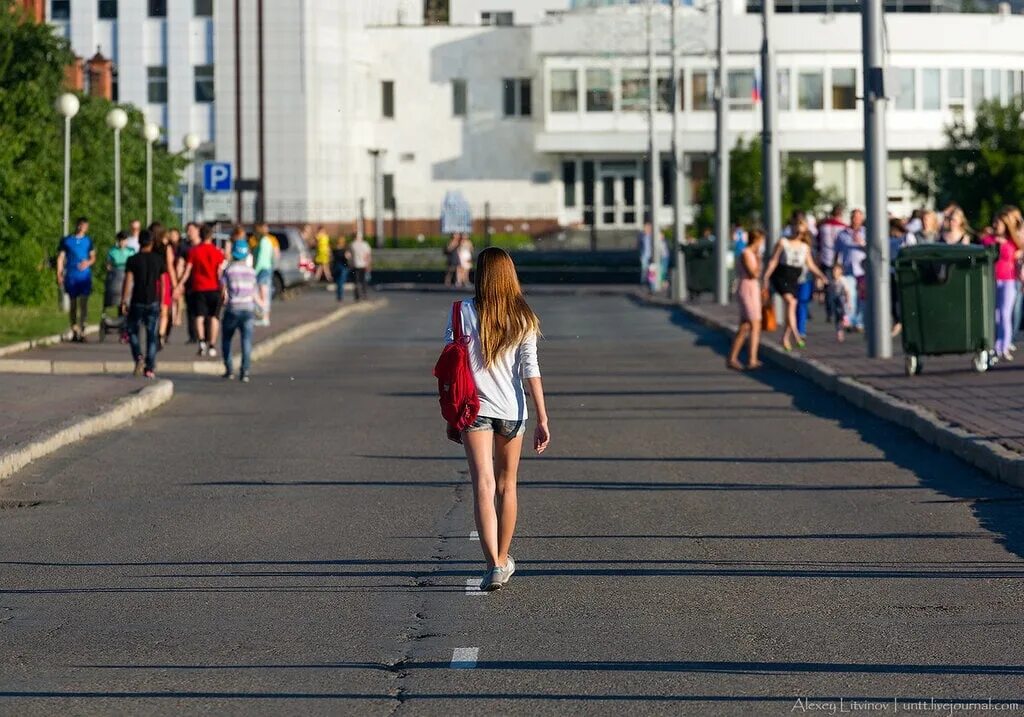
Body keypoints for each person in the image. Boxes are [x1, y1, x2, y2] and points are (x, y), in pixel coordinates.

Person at [444, 247, 550, 592]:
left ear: (480, 275)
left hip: (472, 410)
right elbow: (530, 370)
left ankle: (492, 564)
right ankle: (503, 558)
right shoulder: (523, 316)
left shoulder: (461, 312)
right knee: (507, 486)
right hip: (512, 411)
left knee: (483, 486)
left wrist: (449, 414)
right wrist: (543, 418)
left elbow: (450, 365)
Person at [763, 217, 827, 352]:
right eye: (796, 227)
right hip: (782, 276)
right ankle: (797, 336)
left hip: (794, 278)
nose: (798, 231)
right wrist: (766, 276)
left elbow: (810, 265)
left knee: (791, 308)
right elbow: (774, 260)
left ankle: (786, 338)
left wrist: (821, 275)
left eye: (801, 229)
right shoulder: (783, 242)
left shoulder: (805, 247)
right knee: (791, 303)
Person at [120, 230, 164, 378]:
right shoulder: (158, 259)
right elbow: (163, 282)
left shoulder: (133, 260)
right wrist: (163, 301)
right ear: (152, 243)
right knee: (151, 335)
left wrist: (124, 300)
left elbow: (128, 281)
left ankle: (138, 356)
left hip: (137, 301)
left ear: (139, 242)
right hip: (153, 300)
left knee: (132, 331)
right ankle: (150, 367)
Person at [220, 236, 264, 383]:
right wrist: (262, 306)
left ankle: (229, 369)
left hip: (233, 309)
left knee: (227, 339)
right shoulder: (251, 272)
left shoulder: (229, 270)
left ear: (233, 253)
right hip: (248, 309)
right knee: (246, 341)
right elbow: (254, 292)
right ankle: (245, 371)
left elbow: (223, 292)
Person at [179, 224, 225, 357]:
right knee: (214, 317)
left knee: (199, 316)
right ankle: (212, 345)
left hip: (198, 288)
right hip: (214, 288)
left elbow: (187, 270)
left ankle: (202, 342)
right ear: (211, 236)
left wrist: (180, 284)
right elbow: (220, 272)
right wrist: (224, 289)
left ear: (200, 235)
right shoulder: (217, 252)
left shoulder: (194, 251)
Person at [984, 208, 1023, 361]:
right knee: (996, 315)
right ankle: (996, 345)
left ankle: (1003, 346)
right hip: (992, 279)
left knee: (1005, 314)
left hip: (1009, 280)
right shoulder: (988, 240)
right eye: (994, 222)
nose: (995, 225)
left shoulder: (1013, 241)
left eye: (998, 223)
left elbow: (1019, 257)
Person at [727, 229, 765, 371]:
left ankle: (732, 357)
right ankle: (752, 359)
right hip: (747, 288)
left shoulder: (750, 253)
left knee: (745, 326)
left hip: (752, 288)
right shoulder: (746, 253)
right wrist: (759, 260)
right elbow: (753, 273)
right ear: (756, 240)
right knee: (755, 323)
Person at [56, 217, 96, 343]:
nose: (83, 228)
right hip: (71, 275)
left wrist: (88, 262)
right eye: (81, 225)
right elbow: (61, 258)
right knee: (73, 304)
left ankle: (83, 329)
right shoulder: (67, 240)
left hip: (84, 276)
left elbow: (93, 257)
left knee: (83, 304)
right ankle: (74, 329)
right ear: (77, 225)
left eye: (85, 226)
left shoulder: (88, 241)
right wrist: (59, 273)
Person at [836, 209, 868, 332]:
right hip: (848, 269)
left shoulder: (866, 232)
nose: (856, 220)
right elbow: (837, 252)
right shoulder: (842, 233)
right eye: (854, 217)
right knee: (850, 295)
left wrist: (861, 243)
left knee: (862, 297)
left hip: (862, 270)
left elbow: (871, 250)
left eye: (859, 217)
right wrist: (837, 267)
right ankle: (850, 319)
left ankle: (859, 322)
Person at [816, 204, 847, 321]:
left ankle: (830, 311)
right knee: (839, 286)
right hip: (838, 261)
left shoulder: (823, 227)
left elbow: (818, 243)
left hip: (825, 259)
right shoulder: (843, 227)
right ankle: (840, 310)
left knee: (828, 286)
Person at [888, 217, 916, 338]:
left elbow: (913, 250)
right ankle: (898, 322)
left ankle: (902, 322)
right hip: (892, 271)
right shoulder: (889, 239)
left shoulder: (907, 237)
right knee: (894, 299)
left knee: (902, 298)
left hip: (905, 271)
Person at [177, 222, 201, 344]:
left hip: (202, 282)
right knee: (191, 310)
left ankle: (204, 335)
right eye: (188, 231)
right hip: (189, 282)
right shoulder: (184, 247)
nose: (189, 233)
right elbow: (180, 264)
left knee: (202, 310)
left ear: (198, 230)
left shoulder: (203, 245)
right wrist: (179, 282)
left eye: (191, 230)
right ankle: (193, 336)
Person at [252, 223, 279, 327]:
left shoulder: (263, 243)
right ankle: (264, 317)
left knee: (262, 295)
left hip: (262, 271)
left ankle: (264, 316)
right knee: (265, 295)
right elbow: (273, 257)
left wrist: (254, 272)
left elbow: (260, 260)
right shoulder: (268, 241)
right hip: (267, 269)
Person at [104, 230, 135, 314]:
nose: (122, 242)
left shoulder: (131, 251)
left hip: (128, 276)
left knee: (128, 298)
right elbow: (108, 263)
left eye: (124, 240)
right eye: (120, 240)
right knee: (118, 298)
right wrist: (109, 267)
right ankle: (120, 316)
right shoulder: (112, 251)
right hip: (117, 277)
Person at [828, 263, 849, 342]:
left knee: (842, 313)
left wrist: (848, 300)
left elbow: (847, 291)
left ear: (841, 271)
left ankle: (846, 320)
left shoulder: (843, 279)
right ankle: (839, 334)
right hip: (834, 300)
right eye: (833, 270)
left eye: (836, 270)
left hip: (842, 299)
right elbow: (830, 290)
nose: (834, 272)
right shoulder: (832, 280)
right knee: (837, 318)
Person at [349, 232, 373, 301]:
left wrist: (349, 264)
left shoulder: (352, 244)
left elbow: (349, 256)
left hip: (355, 265)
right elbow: (368, 255)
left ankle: (357, 296)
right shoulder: (365, 244)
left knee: (356, 281)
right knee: (363, 281)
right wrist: (369, 264)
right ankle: (364, 295)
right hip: (363, 265)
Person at [332, 236, 351, 302]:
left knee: (338, 282)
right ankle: (340, 296)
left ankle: (339, 295)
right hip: (343, 266)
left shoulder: (334, 250)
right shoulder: (344, 250)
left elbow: (332, 259)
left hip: (336, 266)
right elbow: (347, 258)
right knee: (341, 282)